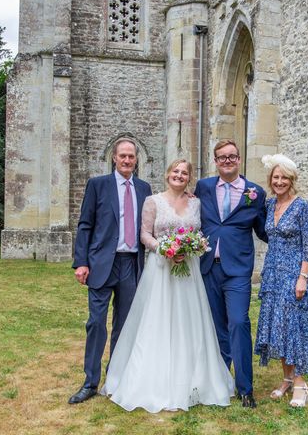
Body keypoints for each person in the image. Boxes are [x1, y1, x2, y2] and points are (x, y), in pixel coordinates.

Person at [101, 159, 234, 412]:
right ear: (167, 174)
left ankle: (194, 379)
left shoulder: (196, 202)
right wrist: (165, 248)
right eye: (176, 171)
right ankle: (154, 381)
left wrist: (191, 247)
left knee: (189, 322)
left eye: (184, 173)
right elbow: (145, 235)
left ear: (189, 178)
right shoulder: (153, 201)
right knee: (158, 321)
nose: (179, 175)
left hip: (189, 273)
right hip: (161, 270)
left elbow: (200, 233)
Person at [68, 138, 152, 404]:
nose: (127, 160)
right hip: (102, 263)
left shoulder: (144, 188)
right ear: (114, 158)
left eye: (131, 156)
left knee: (124, 325)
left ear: (136, 160)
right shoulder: (98, 185)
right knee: (96, 323)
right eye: (123, 156)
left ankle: (116, 378)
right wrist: (81, 262)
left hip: (131, 264)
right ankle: (90, 382)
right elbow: (85, 225)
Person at [194, 140, 267, 408]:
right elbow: (192, 217)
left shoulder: (255, 193)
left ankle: (245, 387)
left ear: (239, 159)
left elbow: (263, 230)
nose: (227, 161)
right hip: (208, 268)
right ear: (215, 161)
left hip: (237, 270)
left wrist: (288, 236)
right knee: (216, 329)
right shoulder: (203, 187)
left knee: (238, 323)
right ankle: (219, 382)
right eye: (222, 157)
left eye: (232, 157)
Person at [254, 153, 308, 408]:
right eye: (275, 177)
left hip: (293, 274)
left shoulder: (302, 206)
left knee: (294, 327)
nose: (279, 181)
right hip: (272, 273)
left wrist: (302, 277)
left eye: (284, 178)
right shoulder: (269, 205)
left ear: (292, 180)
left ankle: (301, 383)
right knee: (276, 326)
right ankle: (287, 378)